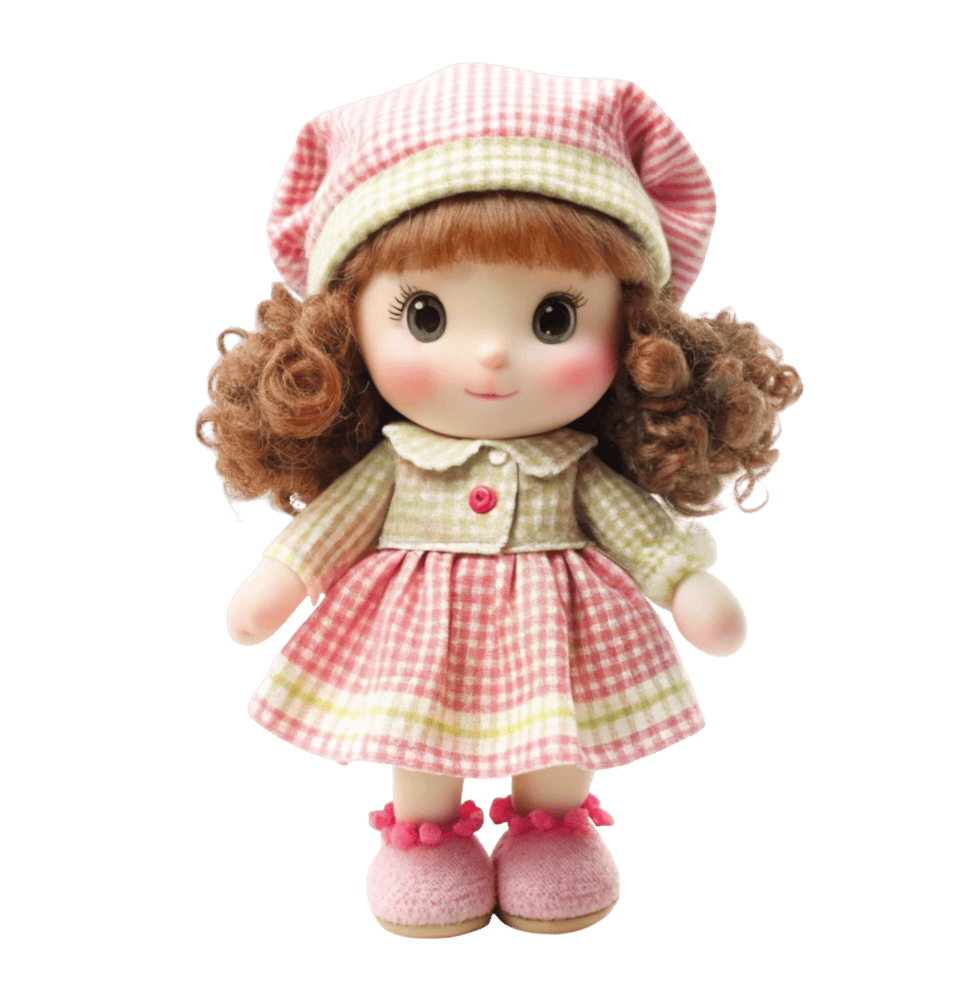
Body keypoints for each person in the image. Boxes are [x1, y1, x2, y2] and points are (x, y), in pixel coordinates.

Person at [196, 62, 803, 939]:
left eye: (553, 318)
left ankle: (552, 829)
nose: (489, 355)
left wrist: (686, 582)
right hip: (418, 634)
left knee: (560, 734)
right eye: (426, 316)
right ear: (345, 330)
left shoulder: (578, 465)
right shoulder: (396, 462)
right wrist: (279, 579)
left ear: (633, 330)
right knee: (417, 737)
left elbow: (639, 533)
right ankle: (425, 841)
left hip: (558, 628)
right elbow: (329, 529)